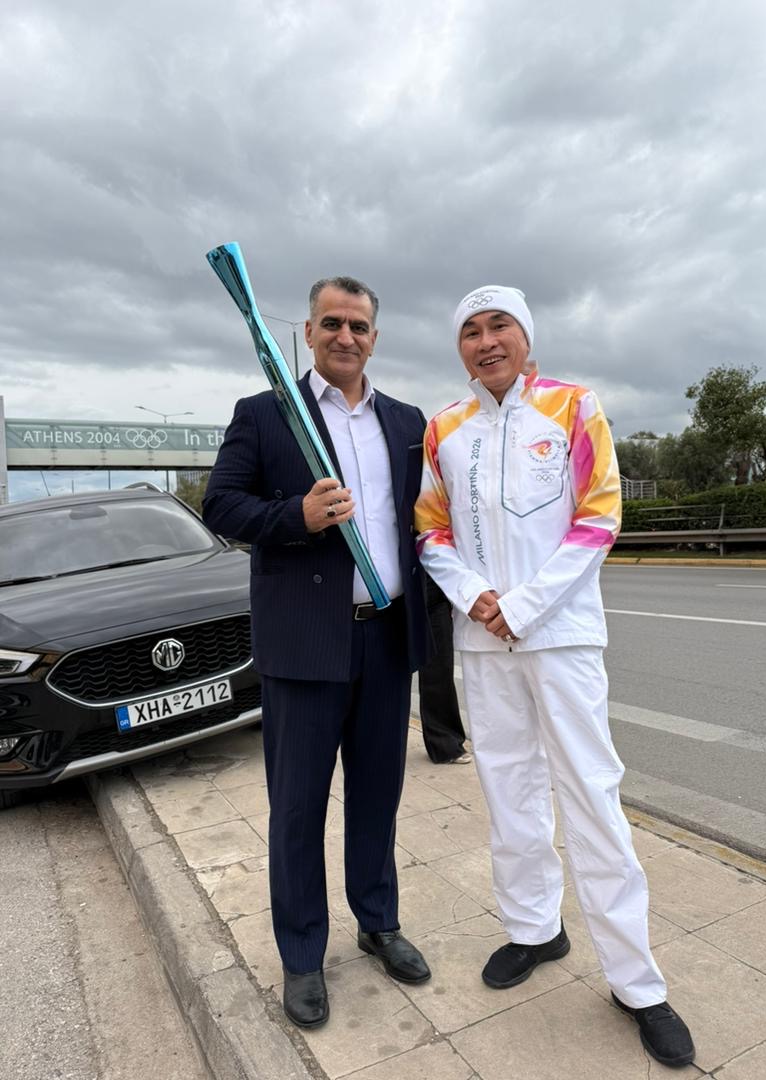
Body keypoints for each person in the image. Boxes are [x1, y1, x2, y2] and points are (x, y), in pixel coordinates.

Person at [414, 285, 694, 1069]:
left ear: (525, 336)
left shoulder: (574, 407)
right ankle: (534, 929)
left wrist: (526, 606)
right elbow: (430, 529)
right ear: (460, 348)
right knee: (510, 796)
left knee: (592, 799)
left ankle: (636, 983)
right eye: (470, 331)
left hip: (561, 637)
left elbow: (599, 516)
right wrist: (478, 600)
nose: (485, 341)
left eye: (499, 325)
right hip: (483, 643)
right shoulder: (445, 428)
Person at [203, 275, 432, 1030]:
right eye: (331, 323)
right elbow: (221, 505)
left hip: (385, 636)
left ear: (375, 338)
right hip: (304, 644)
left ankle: (378, 922)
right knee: (298, 807)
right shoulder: (266, 413)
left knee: (378, 795)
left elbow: (420, 522)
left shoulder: (406, 421)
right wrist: (295, 517)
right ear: (307, 333)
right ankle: (302, 955)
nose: (345, 336)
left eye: (358, 326)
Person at [417, 574, 470, 764]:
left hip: (434, 586)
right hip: (395, 586)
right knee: (388, 670)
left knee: (440, 667)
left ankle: (445, 744)